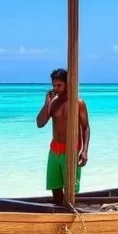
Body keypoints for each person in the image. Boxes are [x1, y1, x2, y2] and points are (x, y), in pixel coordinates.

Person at [35, 68, 90, 205]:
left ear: (67, 84)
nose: (56, 88)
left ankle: (71, 214)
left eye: (59, 85)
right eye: (54, 85)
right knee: (55, 186)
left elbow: (86, 127)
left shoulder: (78, 103)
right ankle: (59, 216)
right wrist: (47, 103)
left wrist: (84, 151)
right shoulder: (53, 103)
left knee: (71, 189)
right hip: (54, 150)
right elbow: (40, 123)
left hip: (70, 150)